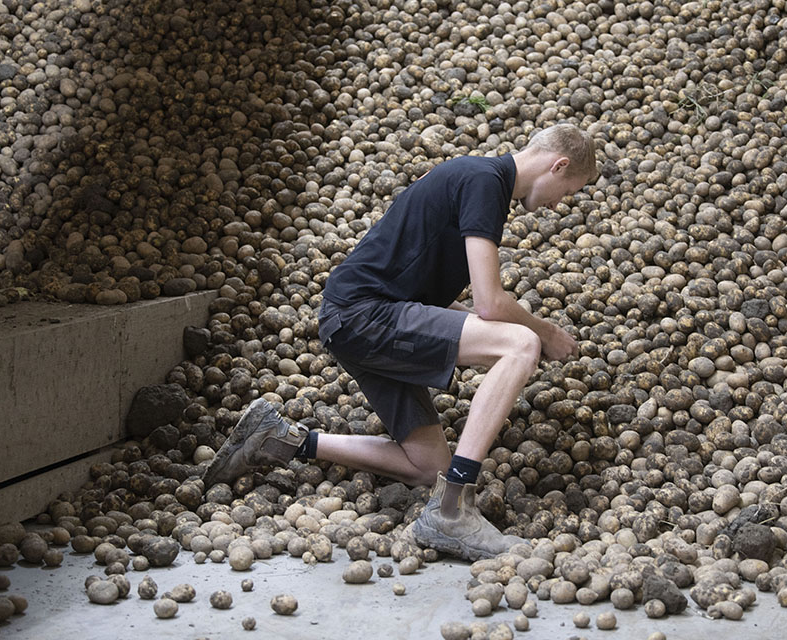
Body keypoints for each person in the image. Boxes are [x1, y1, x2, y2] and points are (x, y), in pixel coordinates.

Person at [203, 124, 599, 560]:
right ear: (558, 165)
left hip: (354, 319)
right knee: (520, 344)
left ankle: (281, 438)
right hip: (364, 315)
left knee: (429, 466)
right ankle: (453, 509)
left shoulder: (476, 179)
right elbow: (490, 303)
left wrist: (483, 336)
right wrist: (545, 333)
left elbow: (438, 306)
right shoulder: (487, 181)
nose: (560, 204)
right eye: (568, 190)